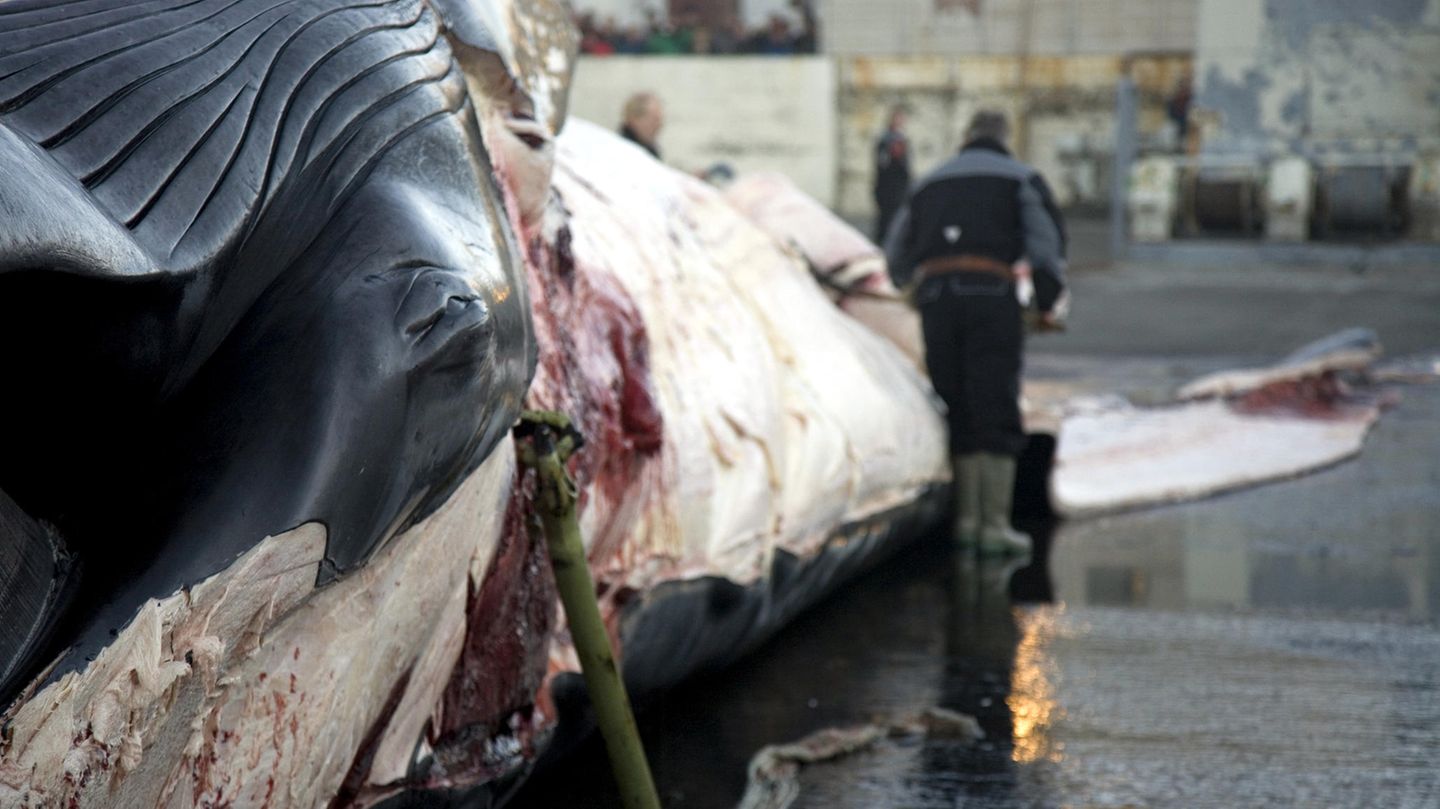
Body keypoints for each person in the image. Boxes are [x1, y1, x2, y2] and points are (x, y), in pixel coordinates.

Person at [884, 110, 1067, 556]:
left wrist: (913, 288)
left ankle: (966, 525)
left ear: (966, 137)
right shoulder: (1022, 178)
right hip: (991, 297)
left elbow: (895, 253)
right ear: (1005, 137)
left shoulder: (928, 183)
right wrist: (1045, 301)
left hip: (938, 300)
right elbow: (1046, 247)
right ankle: (995, 527)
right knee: (995, 401)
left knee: (957, 401)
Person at [873, 105, 911, 244]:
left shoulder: (901, 139)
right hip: (888, 187)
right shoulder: (887, 140)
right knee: (886, 220)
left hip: (898, 186)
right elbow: (883, 164)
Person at [620, 92, 664, 160]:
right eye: (654, 120)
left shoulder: (651, 151)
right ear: (634, 119)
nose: (659, 126)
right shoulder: (622, 152)